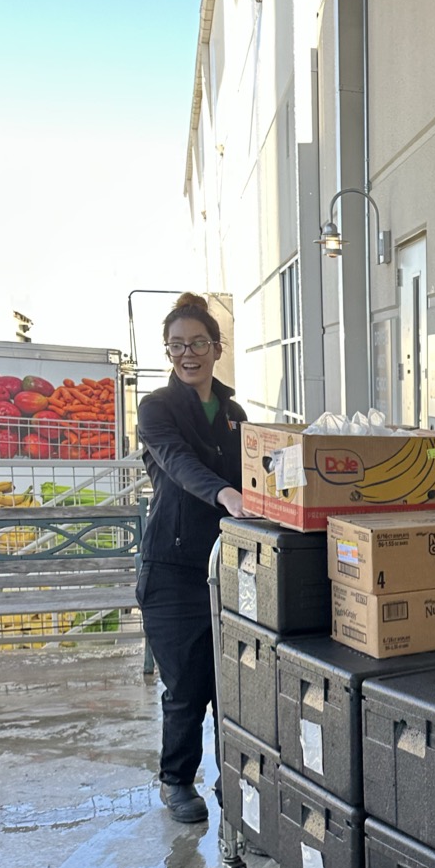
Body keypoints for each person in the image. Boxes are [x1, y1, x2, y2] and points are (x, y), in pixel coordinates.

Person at [136, 293, 253, 824]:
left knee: (233, 683)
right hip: (173, 569)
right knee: (186, 686)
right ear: (168, 351)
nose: (188, 354)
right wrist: (224, 493)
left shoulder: (234, 414)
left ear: (216, 348)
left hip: (228, 565)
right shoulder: (157, 409)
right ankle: (177, 781)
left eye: (198, 343)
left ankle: (234, 778)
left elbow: (259, 472)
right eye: (177, 345)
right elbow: (178, 462)